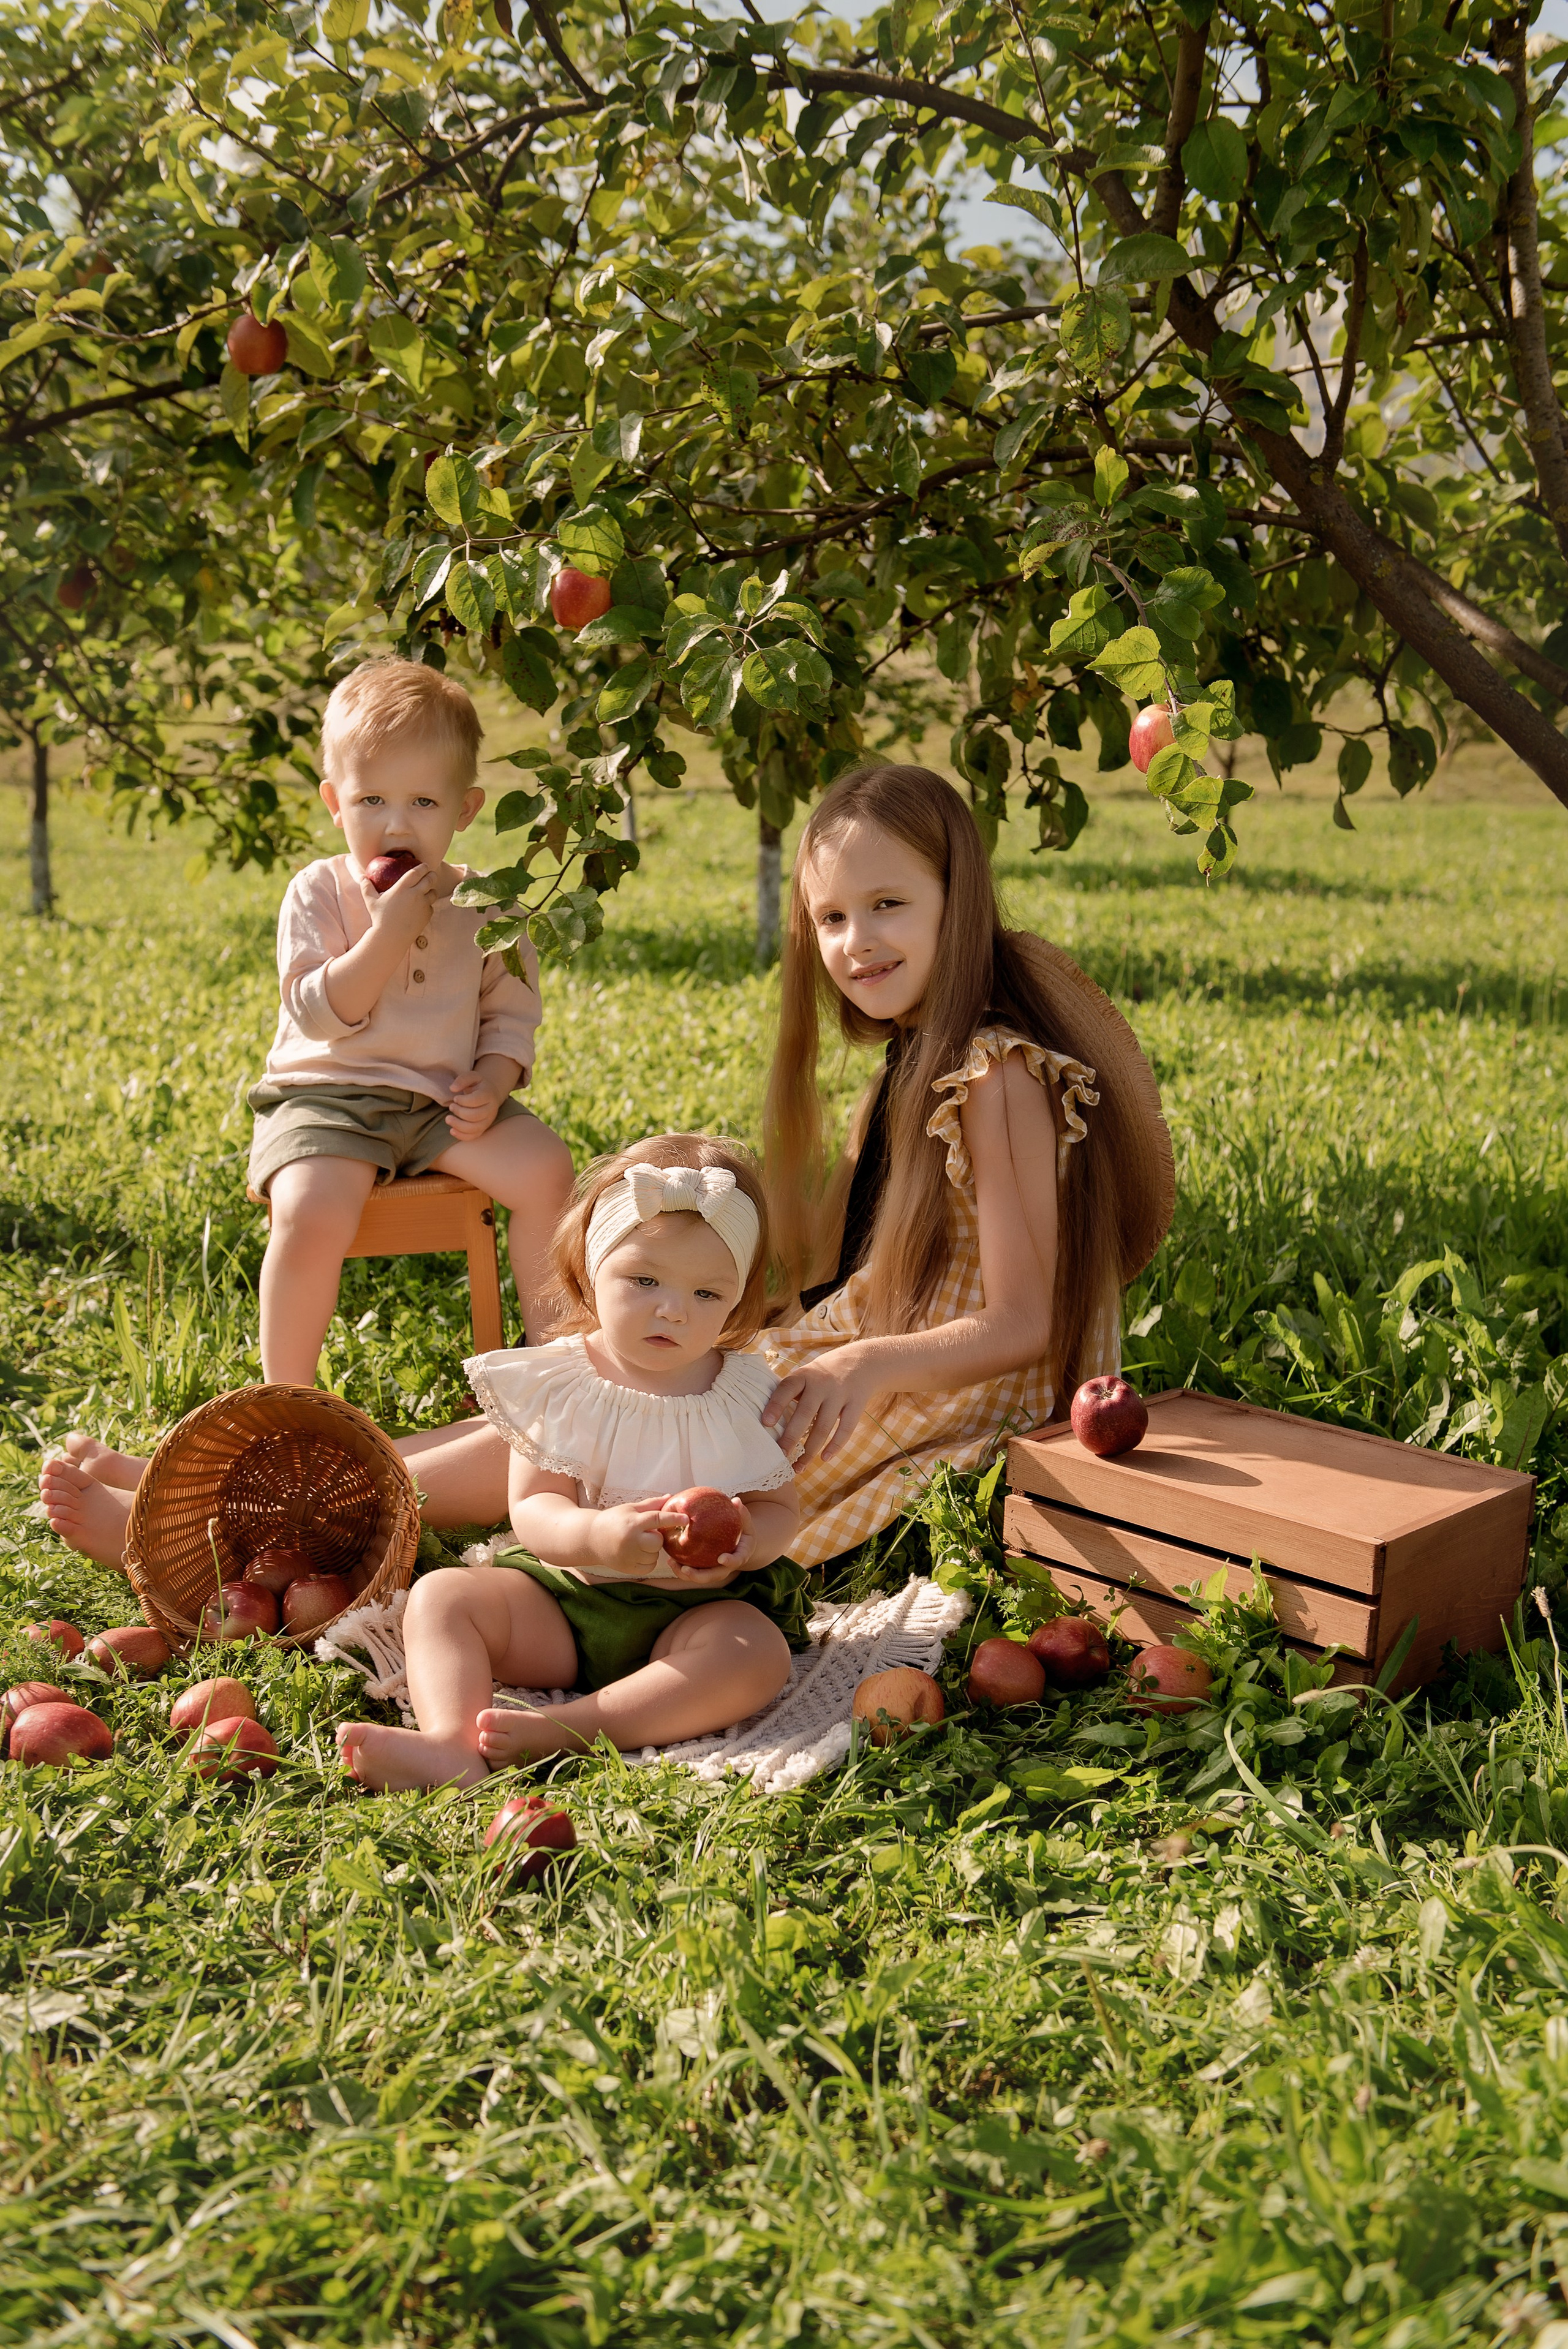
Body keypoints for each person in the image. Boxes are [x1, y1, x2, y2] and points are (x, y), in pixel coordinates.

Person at [40, 763, 1172, 1583]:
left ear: (955, 902)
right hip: (873, 1362)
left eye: (888, 906)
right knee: (586, 1398)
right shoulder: (922, 1064)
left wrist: (863, 1362)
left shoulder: (999, 1077)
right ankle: (249, 1476)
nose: (855, 942)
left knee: (618, 1429)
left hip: (942, 1398)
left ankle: (235, 1518)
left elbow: (1027, 1321)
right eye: (830, 917)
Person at [337, 1134, 802, 1788]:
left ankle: (573, 1728)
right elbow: (534, 1506)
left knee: (756, 1655)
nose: (672, 1309)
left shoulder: (744, 1392)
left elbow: (780, 1508)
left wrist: (750, 1539)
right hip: (567, 1603)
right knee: (443, 1597)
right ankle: (450, 1743)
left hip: (697, 1613)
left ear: (738, 1298)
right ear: (589, 1269)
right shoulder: (562, 1380)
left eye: (707, 1294)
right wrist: (597, 1535)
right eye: (644, 1280)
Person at [246, 656, 574, 1384]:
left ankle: (554, 1367)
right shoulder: (318, 892)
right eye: (371, 800)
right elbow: (320, 1013)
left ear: (464, 810)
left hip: (440, 1103)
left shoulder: (488, 905)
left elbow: (510, 1016)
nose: (396, 824)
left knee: (546, 1168)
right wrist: (386, 934)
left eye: (424, 802)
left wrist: (492, 1080)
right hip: (327, 1099)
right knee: (310, 1210)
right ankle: (288, 1394)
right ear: (335, 803)